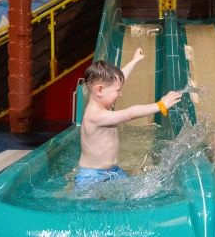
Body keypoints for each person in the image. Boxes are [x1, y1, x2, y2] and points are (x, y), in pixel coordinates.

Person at [75, 48, 182, 188]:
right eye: (117, 91)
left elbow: (117, 81)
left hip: (113, 172)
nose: (120, 94)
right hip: (91, 176)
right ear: (100, 90)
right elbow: (130, 113)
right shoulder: (95, 115)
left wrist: (134, 61)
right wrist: (160, 105)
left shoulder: (102, 102)